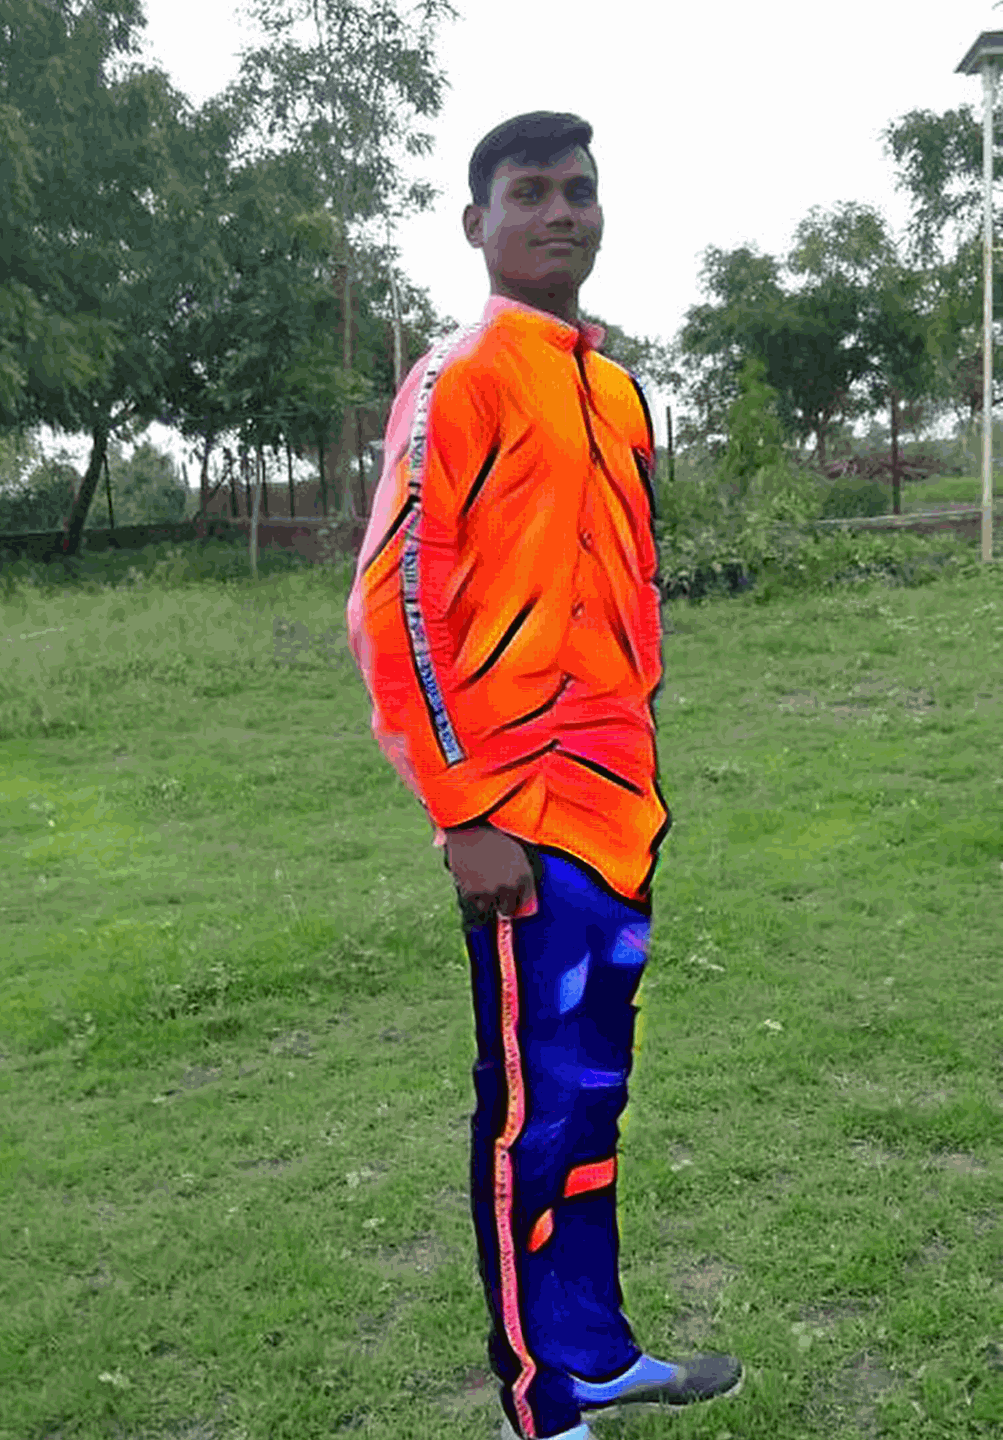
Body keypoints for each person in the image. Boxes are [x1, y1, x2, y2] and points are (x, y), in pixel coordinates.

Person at [346, 111, 742, 1440]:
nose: (561, 211)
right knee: (533, 1111)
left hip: (618, 818)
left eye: (579, 190)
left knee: (591, 1100)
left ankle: (594, 1349)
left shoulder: (617, 393)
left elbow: (631, 589)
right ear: (479, 225)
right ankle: (541, 1399)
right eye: (530, 193)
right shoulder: (457, 382)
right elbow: (395, 607)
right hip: (520, 823)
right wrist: (464, 810)